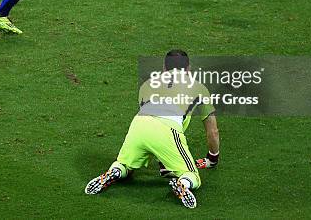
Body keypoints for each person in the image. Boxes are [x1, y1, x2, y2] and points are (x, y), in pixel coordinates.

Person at [84, 49, 220, 208]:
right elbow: (213, 131)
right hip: (166, 130)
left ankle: (115, 171)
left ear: (164, 67)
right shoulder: (198, 88)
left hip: (138, 125)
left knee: (126, 165)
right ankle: (183, 184)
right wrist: (212, 157)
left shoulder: (148, 84)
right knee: (192, 175)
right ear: (188, 69)